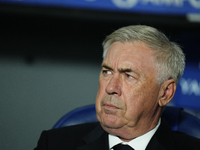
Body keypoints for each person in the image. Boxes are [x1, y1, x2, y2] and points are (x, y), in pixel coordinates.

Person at [34, 25, 200, 150]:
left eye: (128, 76)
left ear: (165, 93)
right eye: (107, 72)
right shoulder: (54, 144)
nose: (111, 87)